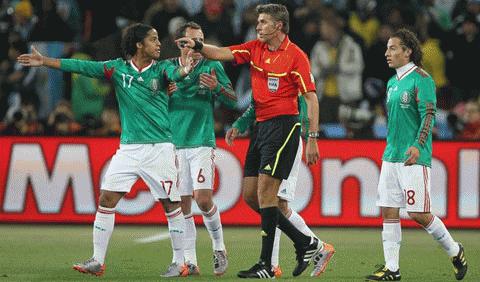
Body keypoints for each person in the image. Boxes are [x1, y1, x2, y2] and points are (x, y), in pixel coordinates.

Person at [17, 23, 195, 278]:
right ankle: (97, 261)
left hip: (159, 148)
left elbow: (178, 73)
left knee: (171, 203)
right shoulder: (118, 68)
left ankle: (180, 262)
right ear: (138, 44)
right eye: (153, 40)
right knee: (106, 200)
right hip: (129, 149)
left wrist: (185, 70)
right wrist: (44, 60)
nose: (158, 44)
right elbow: (81, 67)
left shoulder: (163, 68)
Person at [178, 3, 322, 278]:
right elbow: (221, 53)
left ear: (279, 26)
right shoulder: (255, 47)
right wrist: (198, 45)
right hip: (261, 128)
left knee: (269, 195)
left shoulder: (296, 56)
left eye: (264, 22)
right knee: (251, 196)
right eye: (258, 21)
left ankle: (266, 265)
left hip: (284, 128)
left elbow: (311, 98)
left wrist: (312, 137)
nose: (258, 26)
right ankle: (306, 242)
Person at [365, 28, 468, 281]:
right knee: (388, 210)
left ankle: (455, 251)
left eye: (393, 48)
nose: (387, 53)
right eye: (387, 48)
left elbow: (429, 115)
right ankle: (392, 269)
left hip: (414, 157)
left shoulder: (422, 78)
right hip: (391, 155)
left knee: (418, 213)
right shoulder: (392, 82)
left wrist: (418, 146)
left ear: (407, 51)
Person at [226, 95, 335, 278]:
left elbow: (307, 102)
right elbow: (257, 103)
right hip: (263, 132)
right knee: (256, 197)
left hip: (285, 134)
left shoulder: (295, 68)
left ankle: (274, 263)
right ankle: (315, 246)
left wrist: (310, 137)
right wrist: (240, 124)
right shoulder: (262, 68)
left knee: (276, 202)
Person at [167, 21, 236, 276]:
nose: (198, 46)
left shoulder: (212, 65)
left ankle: (219, 247)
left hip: (201, 142)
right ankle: (190, 260)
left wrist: (216, 87)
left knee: (203, 199)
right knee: (183, 204)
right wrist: (163, 93)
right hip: (175, 144)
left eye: (201, 40)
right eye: (192, 41)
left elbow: (233, 97)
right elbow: (151, 98)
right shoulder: (169, 70)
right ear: (180, 43)